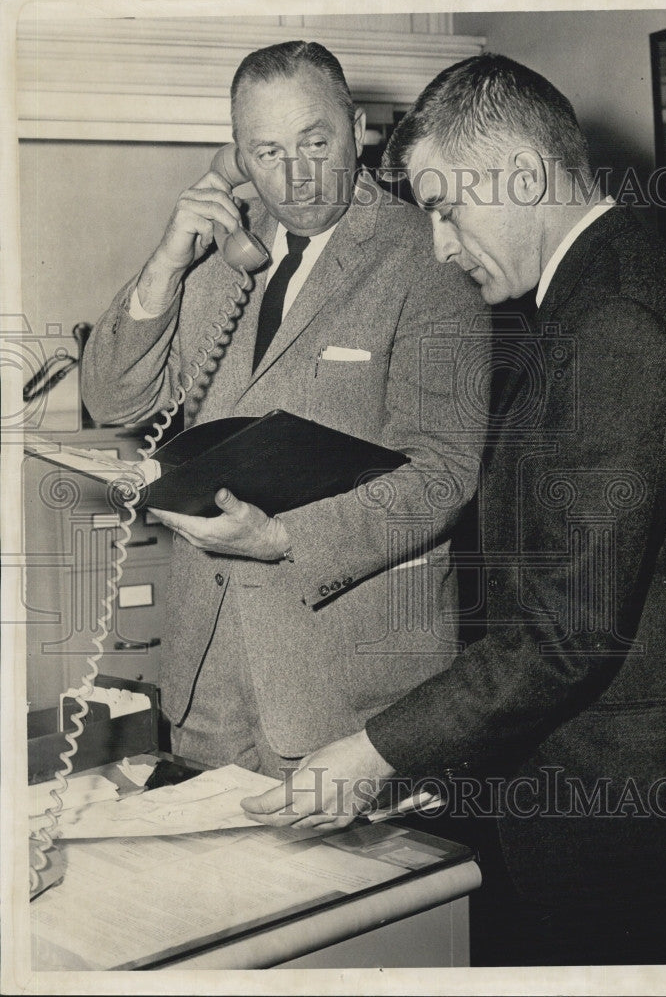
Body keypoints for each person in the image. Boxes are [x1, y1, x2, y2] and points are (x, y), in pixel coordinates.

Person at [241, 54, 666, 966]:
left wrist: (374, 753)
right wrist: (443, 765)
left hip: (625, 830)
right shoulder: (602, 296)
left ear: (524, 174)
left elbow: (564, 634)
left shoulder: (615, 328)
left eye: (447, 209)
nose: (442, 246)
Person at [81, 42, 488, 778]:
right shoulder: (213, 253)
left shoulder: (428, 256)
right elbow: (113, 398)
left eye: (316, 142)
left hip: (349, 698)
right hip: (208, 685)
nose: (295, 176)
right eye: (265, 151)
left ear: (359, 130)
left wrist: (281, 539)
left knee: (358, 895)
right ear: (236, 154)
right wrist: (168, 263)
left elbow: (444, 476)